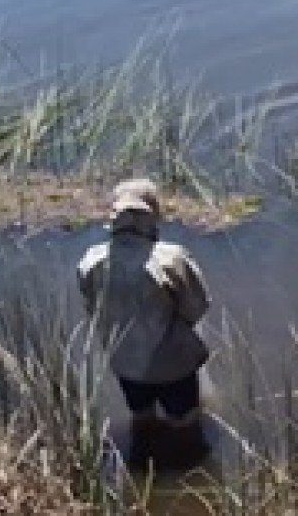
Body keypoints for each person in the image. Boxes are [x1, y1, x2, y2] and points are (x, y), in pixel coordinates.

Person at [76, 179, 213, 472]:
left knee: (141, 415)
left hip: (125, 364)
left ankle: (144, 463)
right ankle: (187, 471)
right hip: (172, 365)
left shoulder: (90, 260)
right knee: (185, 421)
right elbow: (197, 307)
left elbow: (93, 310)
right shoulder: (171, 258)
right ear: (152, 214)